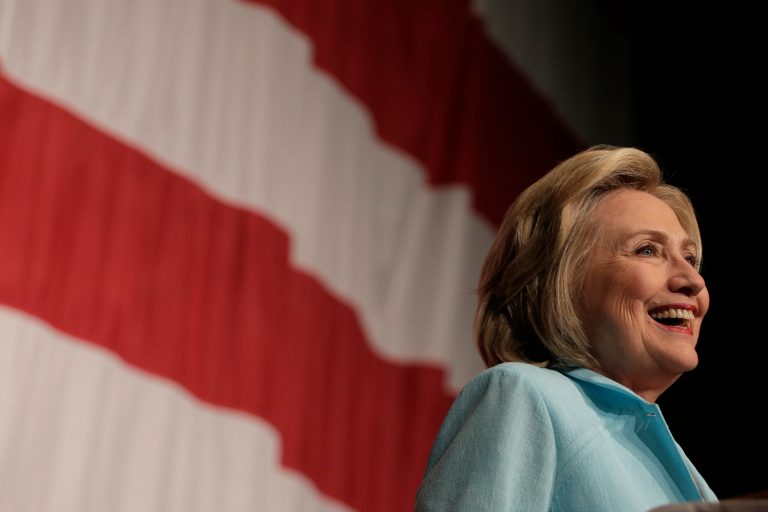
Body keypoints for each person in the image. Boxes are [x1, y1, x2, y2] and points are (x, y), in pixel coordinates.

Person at [414, 146, 718, 511]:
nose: (692, 281)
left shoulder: (686, 472)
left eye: (690, 258)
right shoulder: (523, 394)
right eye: (647, 250)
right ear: (562, 283)